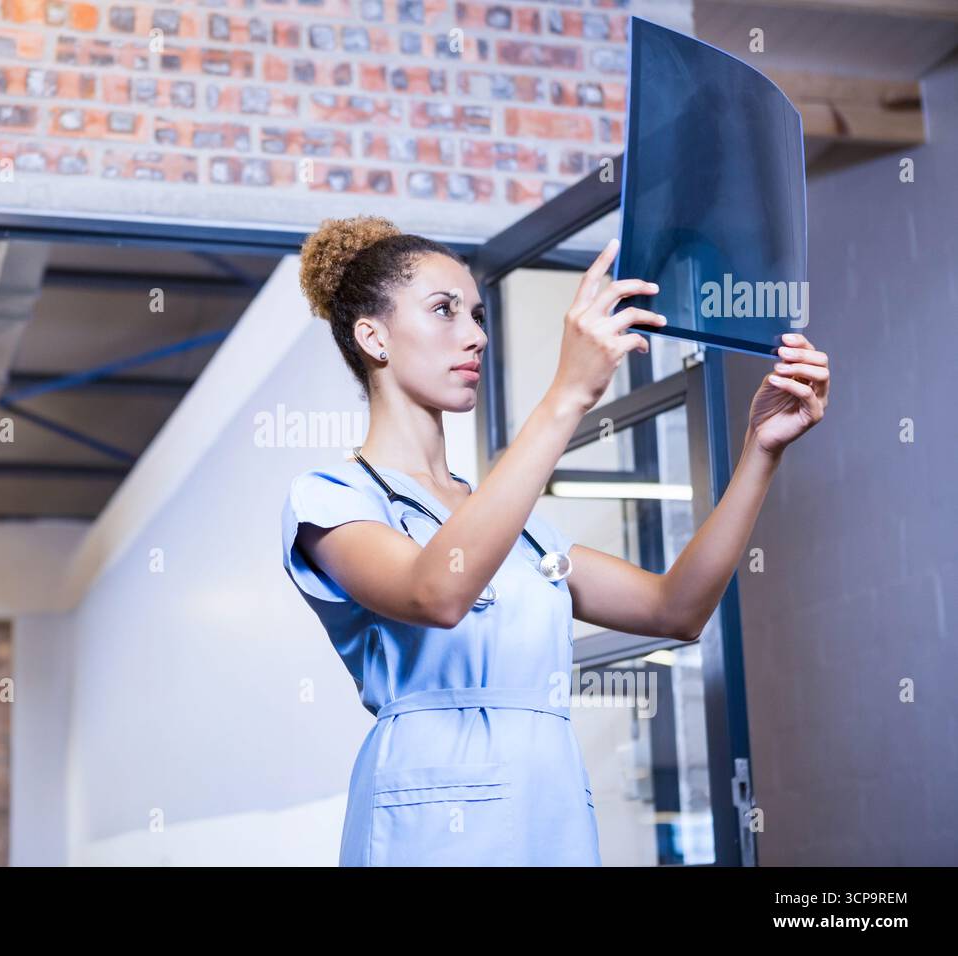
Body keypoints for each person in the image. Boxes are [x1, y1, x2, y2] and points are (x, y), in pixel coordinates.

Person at [279, 214, 830, 867]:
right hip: (429, 817)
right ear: (373, 336)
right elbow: (437, 591)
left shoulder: (511, 522)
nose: (475, 335)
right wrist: (569, 392)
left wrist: (760, 453)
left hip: (550, 806)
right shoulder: (333, 498)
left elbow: (675, 610)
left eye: (479, 316)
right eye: (444, 311)